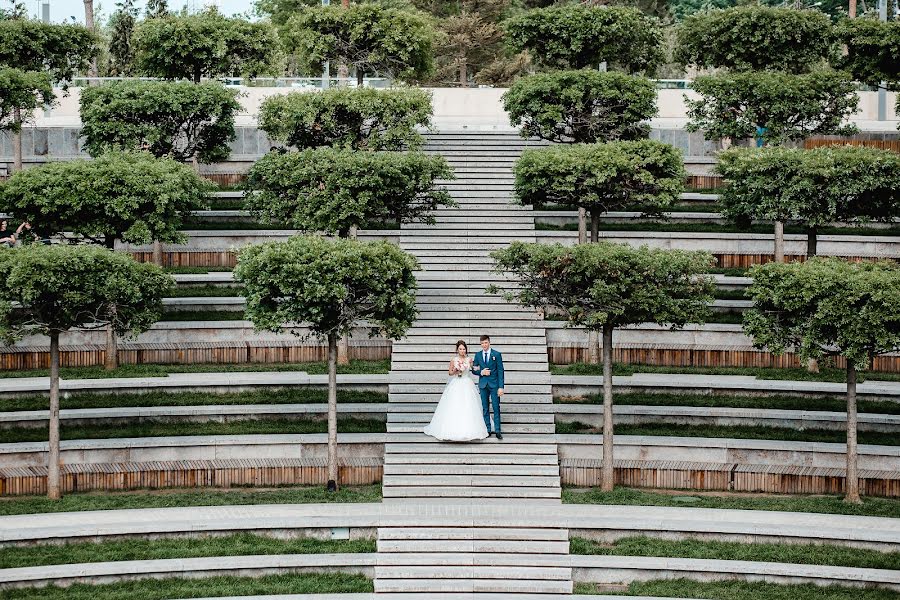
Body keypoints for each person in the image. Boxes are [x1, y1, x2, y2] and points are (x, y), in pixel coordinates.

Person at [423, 340, 489, 442]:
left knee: (468, 405)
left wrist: (482, 371)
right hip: (456, 383)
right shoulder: (454, 360)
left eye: (464, 349)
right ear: (457, 350)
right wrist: (456, 370)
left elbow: (475, 369)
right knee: (454, 405)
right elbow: (450, 373)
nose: (462, 351)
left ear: (466, 349)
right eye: (460, 349)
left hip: (467, 383)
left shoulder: (469, 359)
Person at [470, 334, 504, 440]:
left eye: (485, 342)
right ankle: (488, 429)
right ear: (480, 344)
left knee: (496, 407)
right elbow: (474, 370)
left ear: (489, 342)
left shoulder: (497, 354)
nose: (484, 345)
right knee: (485, 408)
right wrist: (482, 372)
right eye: (482, 343)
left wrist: (501, 387)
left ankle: (497, 430)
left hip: (494, 385)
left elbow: (500, 371)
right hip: (483, 385)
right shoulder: (478, 355)